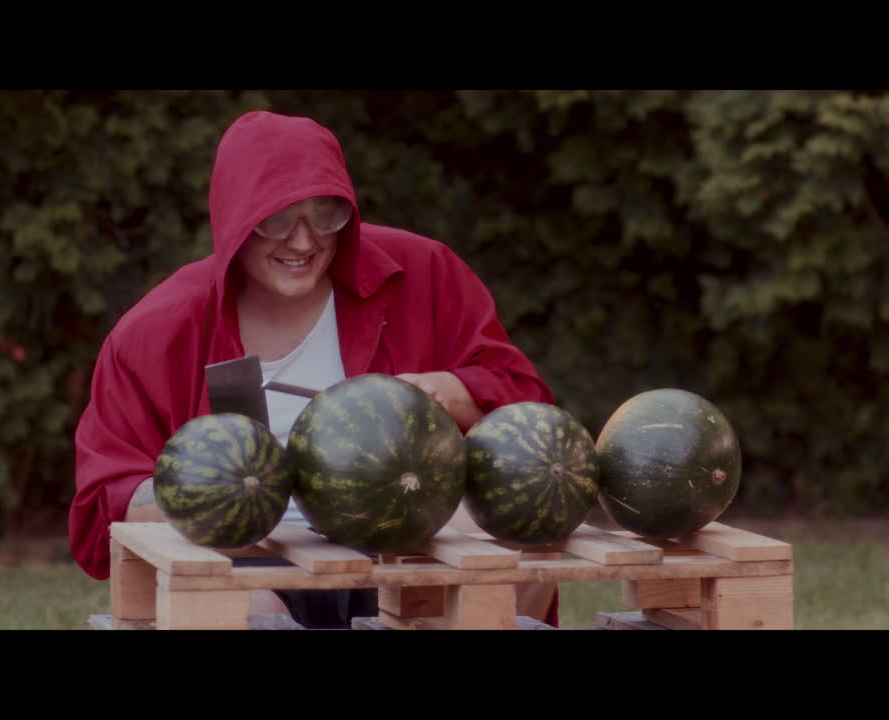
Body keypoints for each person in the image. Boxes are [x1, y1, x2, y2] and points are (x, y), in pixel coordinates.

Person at [70, 110, 559, 628]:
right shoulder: (158, 331)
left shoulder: (424, 273)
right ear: (235, 220)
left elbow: (532, 420)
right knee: (243, 608)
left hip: (406, 541)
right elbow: (104, 501)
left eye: (325, 215)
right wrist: (202, 496)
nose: (304, 242)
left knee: (526, 551)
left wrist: (449, 391)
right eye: (277, 219)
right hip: (250, 560)